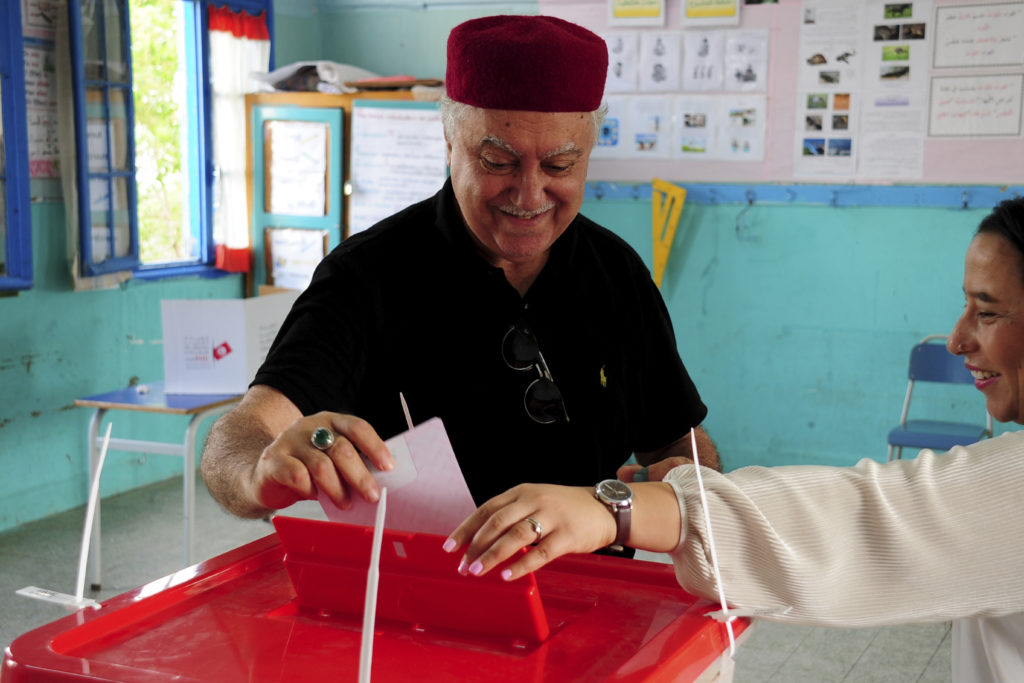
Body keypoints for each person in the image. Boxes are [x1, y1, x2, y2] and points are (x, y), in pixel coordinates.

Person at [447, 197, 1024, 682]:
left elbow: (862, 518)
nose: (956, 340)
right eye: (965, 306)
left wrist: (611, 509)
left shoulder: (611, 271)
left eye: (989, 313)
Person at [201, 15, 718, 522]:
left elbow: (677, 440)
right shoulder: (368, 278)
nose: (529, 194)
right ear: (450, 142)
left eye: (560, 165)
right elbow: (240, 437)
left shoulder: (615, 272)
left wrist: (691, 482)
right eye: (498, 161)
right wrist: (259, 472)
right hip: (425, 593)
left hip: (597, 589)